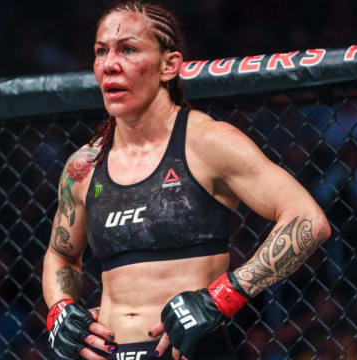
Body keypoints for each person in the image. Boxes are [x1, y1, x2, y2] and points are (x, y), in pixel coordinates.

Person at [42, 1, 331, 359]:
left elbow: (308, 219)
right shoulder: (84, 165)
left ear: (169, 66)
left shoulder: (207, 142)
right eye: (101, 51)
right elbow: (61, 255)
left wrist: (222, 298)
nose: (109, 65)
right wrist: (60, 310)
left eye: (128, 49)